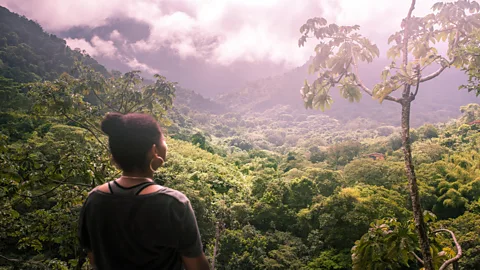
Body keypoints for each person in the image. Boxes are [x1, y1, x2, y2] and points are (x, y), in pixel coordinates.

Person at [78, 112, 211, 270]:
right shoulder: (172, 204)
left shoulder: (94, 199)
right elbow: (196, 266)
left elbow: (93, 258)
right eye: (164, 140)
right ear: (154, 150)